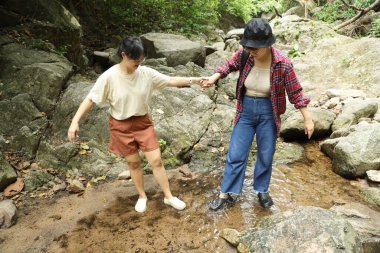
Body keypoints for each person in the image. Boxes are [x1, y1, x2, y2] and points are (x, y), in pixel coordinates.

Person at [68, 36, 205, 213]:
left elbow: (170, 80)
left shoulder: (146, 73)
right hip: (120, 126)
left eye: (142, 59)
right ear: (123, 55)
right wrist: (74, 121)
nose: (139, 63)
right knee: (133, 164)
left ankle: (169, 197)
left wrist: (195, 80)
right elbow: (91, 99)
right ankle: (142, 196)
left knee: (156, 160)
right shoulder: (108, 77)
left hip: (143, 123)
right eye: (136, 59)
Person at [201, 18, 314, 210]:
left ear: (268, 44)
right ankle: (226, 193)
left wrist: (307, 118)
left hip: (268, 113)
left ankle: (262, 190)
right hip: (245, 111)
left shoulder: (283, 63)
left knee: (265, 154)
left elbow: (295, 92)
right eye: (248, 47)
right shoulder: (244, 55)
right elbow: (228, 66)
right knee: (236, 154)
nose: (251, 51)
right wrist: (213, 77)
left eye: (255, 48)